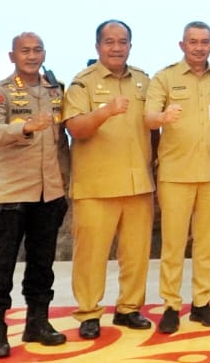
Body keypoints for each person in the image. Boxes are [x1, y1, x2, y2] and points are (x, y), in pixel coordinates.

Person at [144, 22, 210, 334]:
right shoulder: (165, 77)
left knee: (206, 243)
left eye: (204, 42)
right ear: (182, 45)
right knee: (173, 245)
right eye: (193, 41)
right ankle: (171, 305)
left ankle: (202, 303)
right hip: (175, 174)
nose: (199, 47)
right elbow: (148, 118)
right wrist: (162, 117)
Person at [0, 33, 70, 358]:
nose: (31, 56)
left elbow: (62, 140)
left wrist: (66, 183)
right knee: (1, 265)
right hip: (12, 193)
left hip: (49, 192)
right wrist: (26, 127)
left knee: (42, 264)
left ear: (44, 53)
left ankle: (37, 323)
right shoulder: (0, 92)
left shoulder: (55, 90)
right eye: (25, 51)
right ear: (12, 56)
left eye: (37, 50)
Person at [62, 20, 154, 339]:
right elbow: (75, 129)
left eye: (122, 41)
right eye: (109, 42)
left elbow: (153, 128)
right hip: (96, 186)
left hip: (138, 183)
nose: (116, 48)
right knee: (91, 256)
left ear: (130, 45)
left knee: (136, 254)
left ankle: (129, 308)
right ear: (97, 46)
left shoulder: (143, 81)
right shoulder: (82, 83)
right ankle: (89, 313)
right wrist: (106, 111)